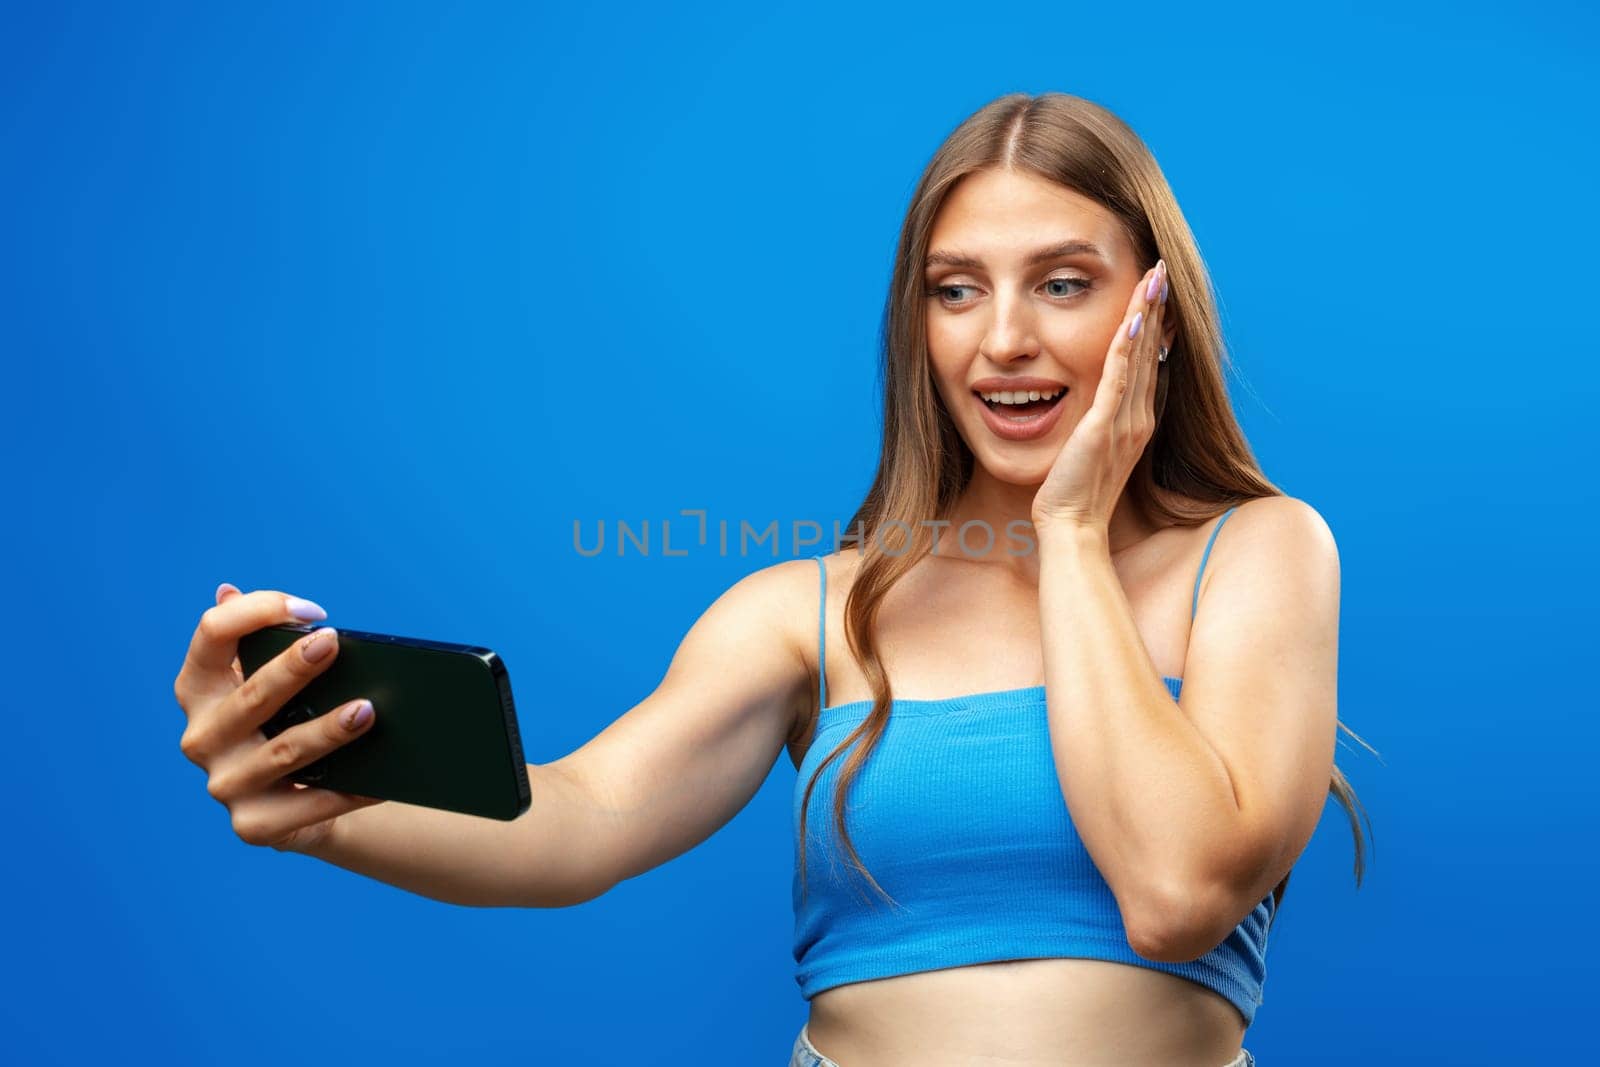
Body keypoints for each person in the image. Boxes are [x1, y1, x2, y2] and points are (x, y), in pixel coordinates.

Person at [173, 91, 1369, 1066]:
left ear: (1150, 313)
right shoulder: (812, 612)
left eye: (1061, 282)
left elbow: (1174, 891)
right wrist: (325, 797)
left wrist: (1067, 536)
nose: (1002, 337)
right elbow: (577, 818)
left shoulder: (1257, 554)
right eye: (956, 289)